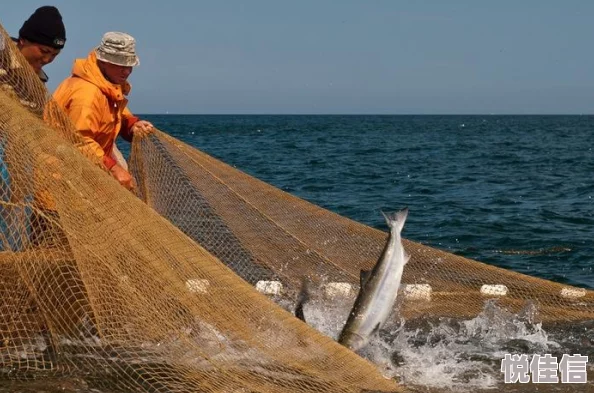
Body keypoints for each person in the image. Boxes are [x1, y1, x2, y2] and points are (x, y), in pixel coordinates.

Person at [53, 32, 153, 191]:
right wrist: (113, 168)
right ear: (103, 62)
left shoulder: (106, 87)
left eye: (129, 66)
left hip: (83, 177)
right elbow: (79, 140)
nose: (126, 72)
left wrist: (132, 125)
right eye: (120, 65)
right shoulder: (87, 94)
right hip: (60, 184)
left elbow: (117, 114)